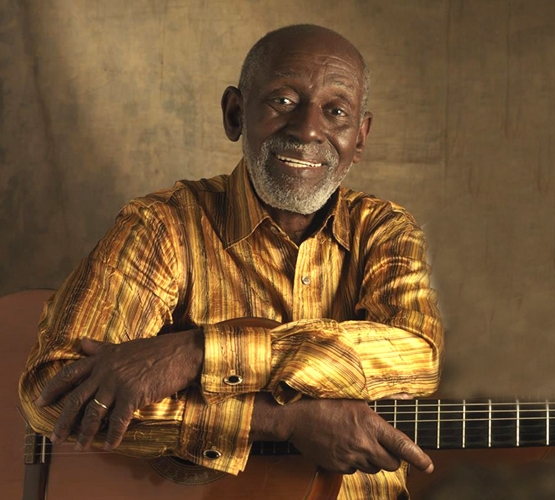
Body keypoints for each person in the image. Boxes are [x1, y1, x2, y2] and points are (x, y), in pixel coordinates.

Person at [18, 24, 443, 499]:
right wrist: (279, 420)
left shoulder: (385, 230)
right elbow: (51, 393)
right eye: (283, 101)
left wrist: (196, 353)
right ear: (235, 113)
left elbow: (415, 357)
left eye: (336, 111)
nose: (307, 130)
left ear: (359, 138)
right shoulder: (162, 227)